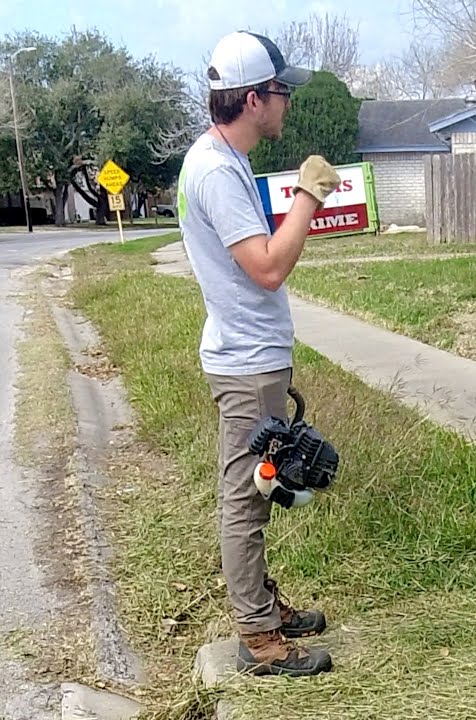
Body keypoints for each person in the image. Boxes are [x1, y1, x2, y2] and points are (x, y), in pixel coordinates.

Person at [177, 30, 343, 675]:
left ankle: (263, 608)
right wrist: (308, 194)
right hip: (245, 362)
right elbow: (268, 269)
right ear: (252, 99)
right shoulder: (218, 172)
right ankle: (259, 639)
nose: (287, 103)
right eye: (280, 92)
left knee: (260, 484)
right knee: (246, 498)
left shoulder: (220, 159)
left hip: (249, 353)